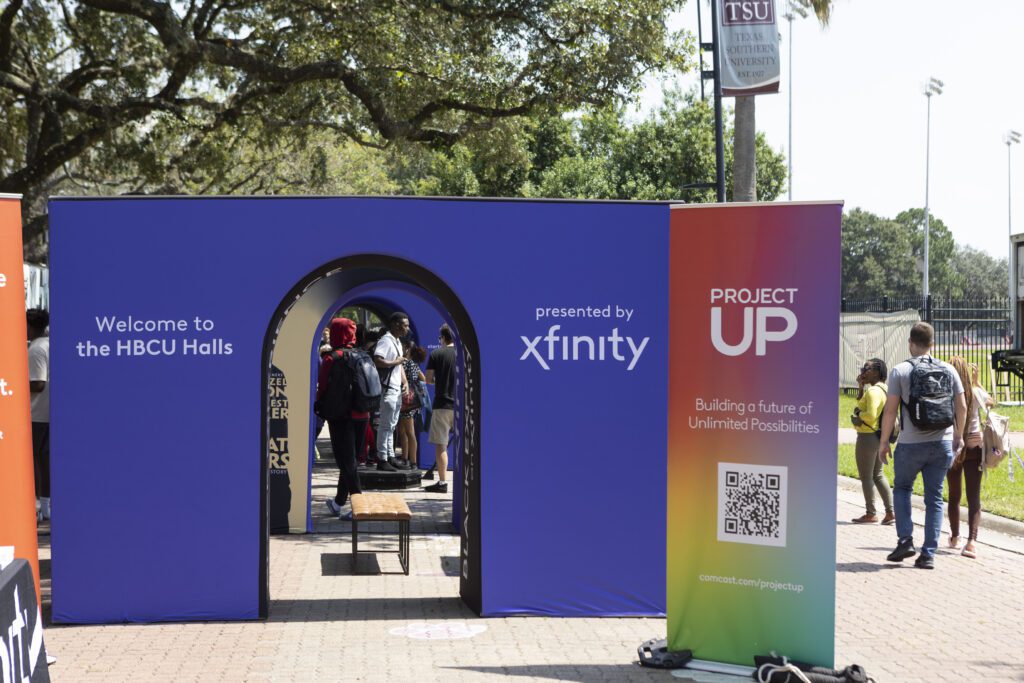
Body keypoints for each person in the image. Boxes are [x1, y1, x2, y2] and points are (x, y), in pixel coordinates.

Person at [877, 322, 966, 570]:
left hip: (910, 444)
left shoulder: (900, 371)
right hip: (942, 443)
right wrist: (957, 436)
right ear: (932, 344)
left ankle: (905, 539)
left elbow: (890, 410)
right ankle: (928, 554)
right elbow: (962, 407)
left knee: (903, 488)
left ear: (910, 342)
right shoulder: (949, 369)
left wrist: (884, 442)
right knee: (934, 498)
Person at [315, 317, 368, 519]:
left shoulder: (331, 358)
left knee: (346, 460)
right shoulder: (362, 355)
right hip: (362, 414)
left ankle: (358, 507)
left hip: (341, 416)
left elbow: (322, 388)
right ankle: (338, 502)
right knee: (351, 460)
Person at [946, 358, 993, 559]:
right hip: (975, 445)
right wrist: (976, 382)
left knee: (954, 495)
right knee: (974, 497)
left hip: (953, 445)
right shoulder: (975, 392)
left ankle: (955, 536)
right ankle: (971, 542)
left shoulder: (947, 394)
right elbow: (991, 402)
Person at [850, 358, 894, 525]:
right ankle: (890, 512)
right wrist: (861, 387)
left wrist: (858, 415)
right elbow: (863, 403)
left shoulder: (874, 391)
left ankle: (871, 513)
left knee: (866, 476)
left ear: (876, 371)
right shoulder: (883, 389)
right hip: (877, 436)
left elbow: (870, 415)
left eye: (866, 368)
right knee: (878, 474)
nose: (863, 371)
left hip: (867, 437)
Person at [373, 312, 410, 471]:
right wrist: (396, 361)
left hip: (395, 388)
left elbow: (399, 365)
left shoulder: (396, 340)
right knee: (385, 425)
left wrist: (405, 381)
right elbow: (378, 360)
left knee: (392, 425)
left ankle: (389, 456)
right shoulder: (386, 341)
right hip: (388, 389)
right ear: (396, 324)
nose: (407, 328)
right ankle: (382, 458)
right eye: (405, 325)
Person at [424, 324, 456, 493]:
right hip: (460, 405)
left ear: (443, 338)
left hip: (442, 404)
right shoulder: (463, 354)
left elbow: (428, 379)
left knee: (441, 445)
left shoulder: (436, 354)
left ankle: (442, 483)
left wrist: (440, 381)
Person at [27, 309, 50, 522]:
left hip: (36, 413)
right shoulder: (50, 344)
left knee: (35, 463)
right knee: (44, 461)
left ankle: (40, 507)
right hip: (48, 412)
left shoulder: (35, 349)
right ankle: (45, 506)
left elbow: (38, 383)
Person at [397, 339, 427, 469]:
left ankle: (412, 461)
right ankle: (406, 459)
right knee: (403, 431)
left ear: (407, 349)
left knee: (408, 432)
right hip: (412, 401)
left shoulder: (406, 363)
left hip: (406, 401)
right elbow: (423, 378)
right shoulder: (415, 364)